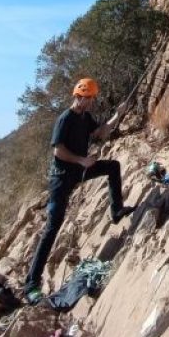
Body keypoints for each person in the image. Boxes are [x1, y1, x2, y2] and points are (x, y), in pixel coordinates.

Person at [23, 79, 135, 304]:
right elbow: (58, 150)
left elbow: (101, 133)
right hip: (61, 178)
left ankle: (116, 210)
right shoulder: (65, 118)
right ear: (79, 96)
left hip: (79, 170)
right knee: (53, 227)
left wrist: (118, 115)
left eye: (93, 98)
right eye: (89, 98)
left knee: (113, 166)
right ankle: (31, 285)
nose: (91, 102)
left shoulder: (85, 118)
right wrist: (82, 160)